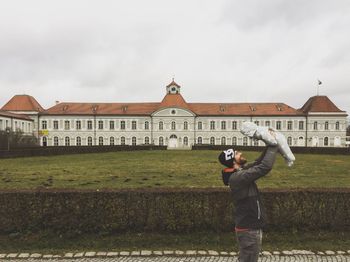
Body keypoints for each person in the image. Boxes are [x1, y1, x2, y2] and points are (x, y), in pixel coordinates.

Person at [218, 145, 278, 262]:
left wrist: (269, 144)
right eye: (237, 153)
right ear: (233, 161)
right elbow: (264, 167)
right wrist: (274, 147)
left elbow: (257, 163)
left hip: (250, 227)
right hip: (249, 229)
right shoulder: (238, 177)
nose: (240, 153)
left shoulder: (240, 172)